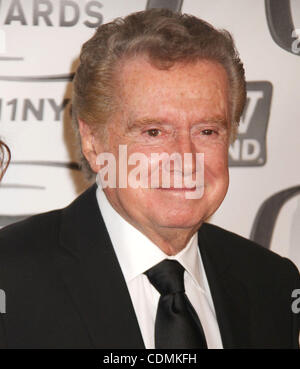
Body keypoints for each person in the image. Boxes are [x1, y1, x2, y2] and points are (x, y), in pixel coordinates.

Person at [0, 9, 299, 349]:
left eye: (207, 130)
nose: (186, 159)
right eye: (154, 131)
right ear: (93, 142)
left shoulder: (272, 285)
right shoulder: (10, 279)